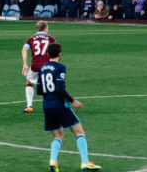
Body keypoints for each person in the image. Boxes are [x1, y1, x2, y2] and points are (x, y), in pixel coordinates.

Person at [39, 42, 101, 171]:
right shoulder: (61, 67)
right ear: (60, 54)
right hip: (60, 105)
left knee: (58, 136)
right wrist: (73, 101)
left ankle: (53, 161)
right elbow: (60, 88)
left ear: (47, 54)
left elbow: (39, 90)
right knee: (79, 132)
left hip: (46, 105)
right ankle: (85, 162)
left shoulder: (42, 68)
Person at [22, 21, 56, 113]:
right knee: (51, 84)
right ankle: (53, 106)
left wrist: (25, 64)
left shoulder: (31, 39)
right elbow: (55, 52)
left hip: (35, 66)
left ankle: (29, 105)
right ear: (45, 28)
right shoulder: (51, 39)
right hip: (47, 66)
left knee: (29, 82)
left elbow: (24, 50)